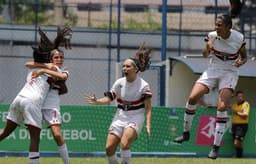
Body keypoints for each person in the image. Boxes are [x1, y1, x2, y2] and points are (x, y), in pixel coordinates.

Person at [173, 14, 247, 160]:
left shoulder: (238, 38)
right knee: (192, 97)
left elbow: (244, 57)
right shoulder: (212, 36)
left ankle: (215, 147)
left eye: (219, 25)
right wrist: (207, 48)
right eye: (216, 24)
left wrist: (241, 62)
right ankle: (186, 133)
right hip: (212, 70)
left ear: (228, 27)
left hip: (230, 72)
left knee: (221, 107)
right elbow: (205, 54)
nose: (216, 27)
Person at [85, 43, 152, 164]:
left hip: (135, 118)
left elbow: (148, 108)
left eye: (127, 66)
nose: (124, 69)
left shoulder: (144, 85)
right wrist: (97, 101)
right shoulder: (119, 83)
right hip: (120, 117)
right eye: (123, 66)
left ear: (135, 69)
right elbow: (109, 98)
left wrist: (148, 124)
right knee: (109, 148)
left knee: (124, 143)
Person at [25, 49, 70, 164]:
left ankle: (67, 162)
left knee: (57, 134)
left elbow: (63, 77)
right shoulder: (46, 67)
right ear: (51, 59)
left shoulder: (63, 71)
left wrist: (43, 70)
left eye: (61, 57)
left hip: (52, 106)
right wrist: (45, 65)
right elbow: (27, 64)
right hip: (37, 105)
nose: (59, 59)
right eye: (56, 57)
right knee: (35, 137)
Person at [231, 90, 250, 158]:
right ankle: (239, 156)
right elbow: (233, 114)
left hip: (242, 126)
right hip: (234, 125)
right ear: (236, 97)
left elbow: (245, 115)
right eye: (239, 96)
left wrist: (236, 112)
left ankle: (239, 155)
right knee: (236, 143)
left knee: (237, 142)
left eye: (242, 96)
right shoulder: (234, 105)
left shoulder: (246, 104)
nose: (240, 98)